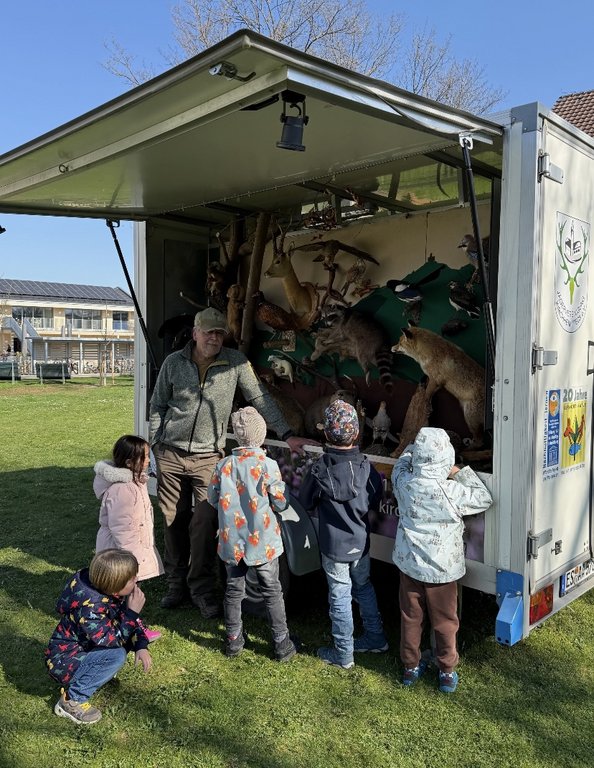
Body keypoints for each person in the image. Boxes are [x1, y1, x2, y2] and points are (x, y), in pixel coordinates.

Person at [149, 306, 312, 618]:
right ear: (195, 333)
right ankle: (175, 584)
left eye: (219, 332)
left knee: (204, 523)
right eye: (208, 332)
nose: (214, 337)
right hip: (169, 453)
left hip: (208, 458)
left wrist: (288, 432)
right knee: (173, 521)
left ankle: (201, 589)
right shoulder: (173, 363)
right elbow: (157, 404)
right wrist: (155, 443)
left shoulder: (235, 363)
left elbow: (260, 398)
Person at [391, 427, 493, 693]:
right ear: (446, 459)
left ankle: (410, 667)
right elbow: (484, 498)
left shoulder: (405, 482)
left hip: (410, 566)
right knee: (445, 621)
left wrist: (411, 451)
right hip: (442, 573)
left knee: (411, 617)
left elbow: (399, 464)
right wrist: (459, 472)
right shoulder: (451, 490)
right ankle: (447, 671)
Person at [299, 399, 387, 670]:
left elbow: (306, 501)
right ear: (358, 433)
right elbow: (376, 500)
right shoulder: (367, 468)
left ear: (325, 434)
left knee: (339, 595)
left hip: (334, 547)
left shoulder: (319, 469)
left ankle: (344, 653)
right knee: (364, 587)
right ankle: (376, 637)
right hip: (361, 545)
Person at [207, 406, 297, 661]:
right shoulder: (268, 465)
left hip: (232, 542)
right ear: (262, 434)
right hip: (264, 543)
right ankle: (281, 643)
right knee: (272, 591)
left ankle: (233, 641)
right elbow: (280, 502)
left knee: (234, 591)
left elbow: (212, 498)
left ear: (237, 434)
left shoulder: (223, 465)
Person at [45, 549, 152, 725]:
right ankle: (72, 701)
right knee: (116, 655)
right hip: (64, 661)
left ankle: (95, 672)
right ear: (116, 585)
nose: (137, 580)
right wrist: (132, 613)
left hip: (84, 648)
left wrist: (141, 644)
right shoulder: (90, 609)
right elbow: (113, 640)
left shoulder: (109, 591)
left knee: (121, 642)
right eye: (132, 579)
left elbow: (127, 622)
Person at [93, 434, 164, 642]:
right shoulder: (122, 489)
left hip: (131, 550)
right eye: (145, 456)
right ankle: (130, 627)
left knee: (128, 590)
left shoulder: (135, 482)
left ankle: (129, 624)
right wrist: (131, 559)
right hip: (121, 553)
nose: (149, 460)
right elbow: (121, 528)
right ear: (129, 462)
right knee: (124, 591)